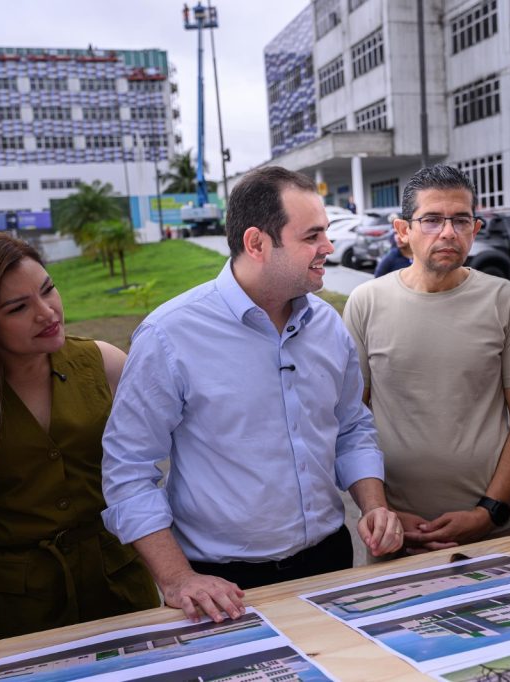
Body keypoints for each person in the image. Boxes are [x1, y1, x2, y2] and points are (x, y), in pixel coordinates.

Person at [101, 166, 402, 623]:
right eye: (312, 236)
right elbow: (127, 470)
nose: (329, 247)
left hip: (329, 563)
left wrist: (374, 505)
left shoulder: (327, 327)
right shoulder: (170, 336)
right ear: (256, 243)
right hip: (220, 588)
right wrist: (177, 578)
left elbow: (351, 428)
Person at [0, 233, 159, 639]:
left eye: (48, 289)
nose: (47, 313)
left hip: (118, 581)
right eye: (19, 307)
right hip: (16, 601)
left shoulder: (104, 362)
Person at [343, 165, 510, 556]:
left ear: (476, 228)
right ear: (403, 230)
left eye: (460, 220)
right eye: (432, 220)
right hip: (396, 534)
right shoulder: (366, 303)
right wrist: (379, 509)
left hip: (495, 529)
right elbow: (353, 420)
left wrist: (489, 511)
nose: (448, 232)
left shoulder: (503, 300)